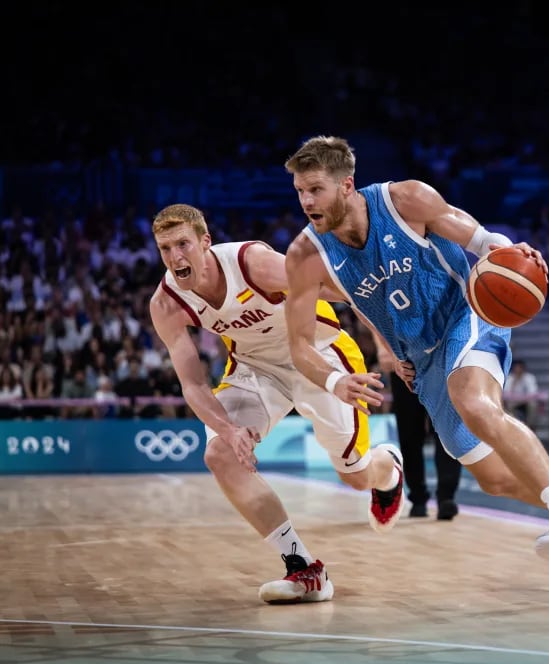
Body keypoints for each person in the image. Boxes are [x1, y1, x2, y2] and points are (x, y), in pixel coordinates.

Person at [282, 135, 549, 581]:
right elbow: (300, 344)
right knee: (495, 479)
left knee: (471, 399)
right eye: (299, 191)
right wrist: (339, 380)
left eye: (315, 188)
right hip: (422, 359)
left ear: (347, 184)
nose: (306, 200)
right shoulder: (306, 255)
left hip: (468, 314)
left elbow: (482, 239)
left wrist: (511, 251)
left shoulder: (405, 199)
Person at [148, 203, 406, 605]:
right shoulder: (166, 303)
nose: (175, 257)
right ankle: (303, 568)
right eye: (165, 248)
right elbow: (193, 384)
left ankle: (387, 469)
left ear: (205, 242)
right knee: (219, 453)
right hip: (255, 369)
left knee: (355, 476)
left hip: (319, 354)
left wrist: (384, 342)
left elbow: (345, 288)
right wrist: (230, 430)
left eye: (183, 244)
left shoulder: (254, 264)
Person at [378, 338, 463, 520]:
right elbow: (371, 314)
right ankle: (417, 497)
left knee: (447, 430)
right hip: (404, 360)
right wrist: (382, 348)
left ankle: (446, 497)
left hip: (442, 359)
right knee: (409, 434)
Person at [503, 359, 540, 429]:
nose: (518, 370)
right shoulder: (509, 378)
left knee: (533, 404)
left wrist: (522, 399)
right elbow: (506, 393)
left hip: (525, 402)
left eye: (520, 368)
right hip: (512, 402)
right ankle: (510, 426)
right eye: (516, 368)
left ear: (523, 369)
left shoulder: (529, 378)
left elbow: (532, 392)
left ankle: (530, 426)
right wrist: (514, 382)